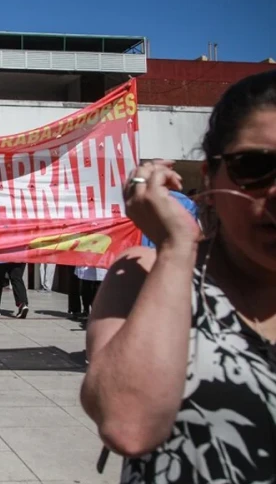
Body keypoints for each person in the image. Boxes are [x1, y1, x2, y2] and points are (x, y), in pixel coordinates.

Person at [81, 71, 276, 482]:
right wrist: (176, 248)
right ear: (209, 176)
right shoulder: (144, 272)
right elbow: (127, 426)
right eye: (256, 166)